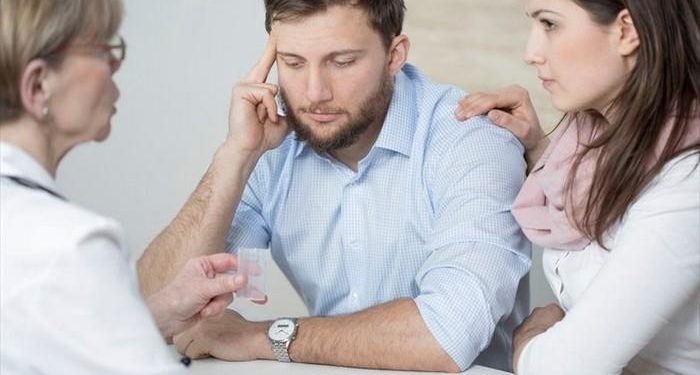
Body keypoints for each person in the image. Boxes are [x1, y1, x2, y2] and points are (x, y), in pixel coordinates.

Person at [137, 0, 531, 372]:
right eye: (292, 63)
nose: (313, 94)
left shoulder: (473, 141)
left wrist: (262, 337)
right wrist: (235, 155)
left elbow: (447, 334)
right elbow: (158, 306)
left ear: (395, 56)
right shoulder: (269, 147)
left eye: (341, 62)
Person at [0, 0, 248, 373]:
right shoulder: (73, 247)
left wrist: (160, 311)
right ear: (38, 85)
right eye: (102, 49)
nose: (116, 65)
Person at [455, 0, 699, 374]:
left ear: (627, 31)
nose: (531, 54)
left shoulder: (687, 184)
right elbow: (612, 220)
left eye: (550, 25)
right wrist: (538, 149)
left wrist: (532, 335)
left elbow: (562, 368)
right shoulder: (598, 141)